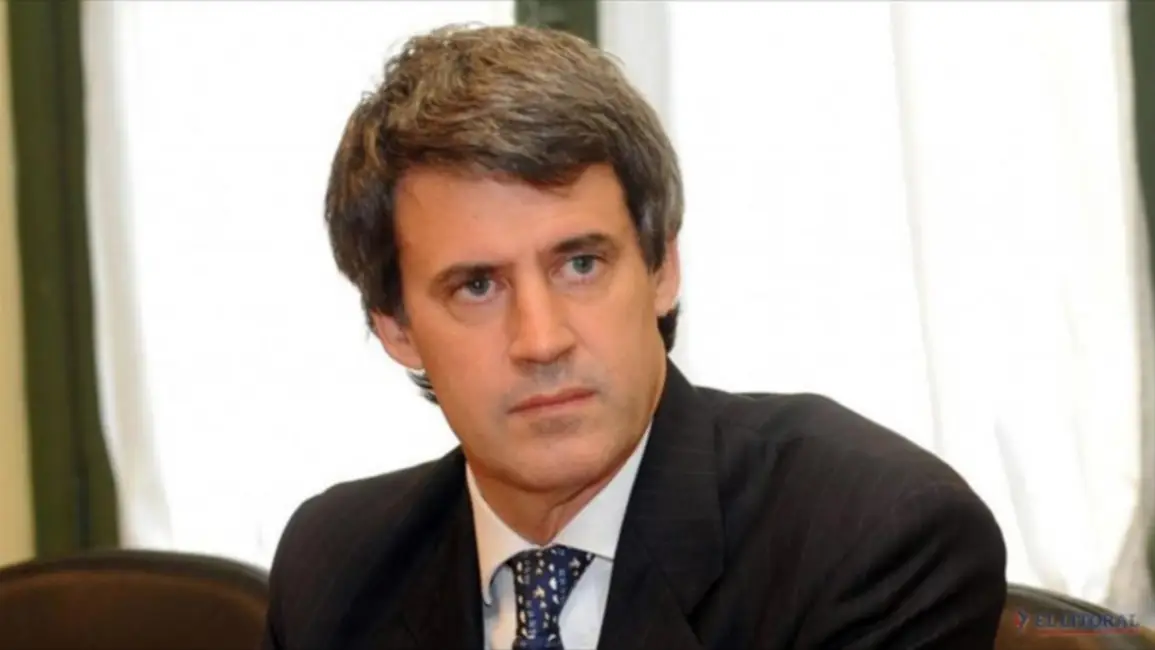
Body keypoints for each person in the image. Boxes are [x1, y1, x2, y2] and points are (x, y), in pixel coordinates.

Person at [261, 23, 1007, 650]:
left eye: (580, 264)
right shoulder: (336, 566)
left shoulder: (871, 537)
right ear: (395, 328)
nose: (542, 340)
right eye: (477, 286)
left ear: (661, 269)